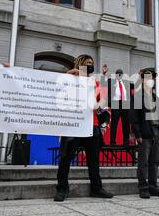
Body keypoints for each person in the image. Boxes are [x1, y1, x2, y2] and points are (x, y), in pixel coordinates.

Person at [54, 54, 114, 202]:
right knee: (66, 158)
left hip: (91, 125)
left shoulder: (95, 82)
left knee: (93, 159)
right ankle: (62, 188)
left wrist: (99, 106)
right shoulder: (70, 78)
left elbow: (102, 104)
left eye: (92, 63)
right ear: (80, 64)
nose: (90, 65)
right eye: (87, 62)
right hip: (73, 124)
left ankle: (97, 188)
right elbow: (56, 87)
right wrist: (71, 73)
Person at [130, 69, 159, 199]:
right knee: (143, 162)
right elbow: (134, 117)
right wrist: (137, 134)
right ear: (142, 80)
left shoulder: (154, 96)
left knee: (154, 161)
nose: (150, 80)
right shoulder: (137, 96)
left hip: (156, 131)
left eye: (152, 78)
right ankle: (143, 187)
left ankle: (153, 186)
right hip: (145, 132)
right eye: (147, 77)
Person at [109, 69, 131, 145]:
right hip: (116, 102)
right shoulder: (111, 82)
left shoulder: (125, 83)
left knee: (126, 123)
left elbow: (135, 86)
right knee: (114, 123)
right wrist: (104, 74)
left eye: (121, 74)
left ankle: (126, 141)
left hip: (125, 103)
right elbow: (104, 82)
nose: (119, 75)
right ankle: (112, 141)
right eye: (118, 74)